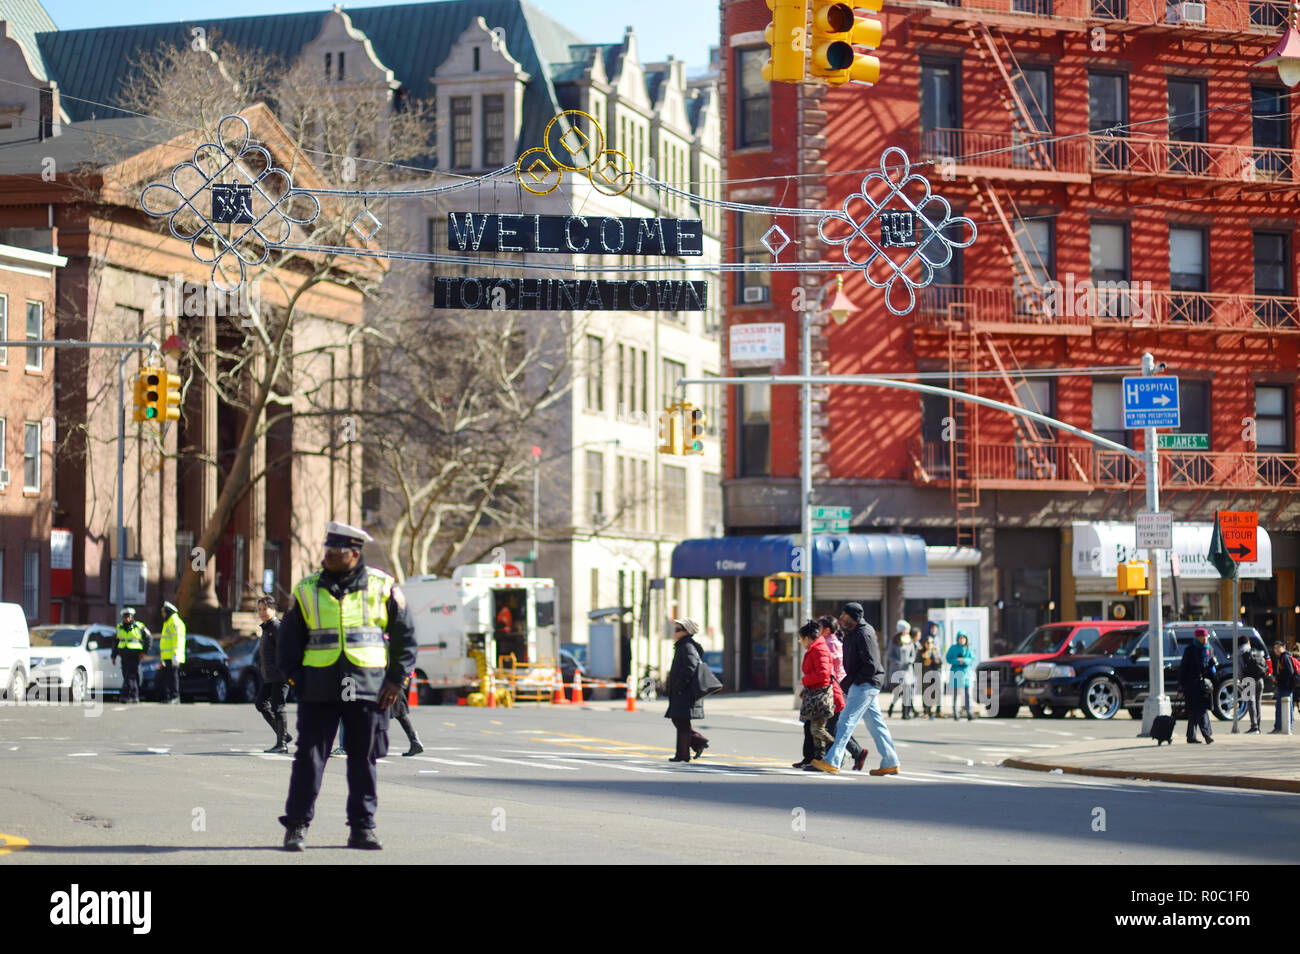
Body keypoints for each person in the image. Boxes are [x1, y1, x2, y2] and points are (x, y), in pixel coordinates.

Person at [276, 521, 416, 851]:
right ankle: (296, 826)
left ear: (353, 555)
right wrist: (298, 679)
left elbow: (405, 637)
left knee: (363, 759)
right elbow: (288, 644)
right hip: (320, 687)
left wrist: (397, 680)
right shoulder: (306, 588)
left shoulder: (384, 586)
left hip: (368, 687)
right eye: (326, 550)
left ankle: (362, 828)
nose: (327, 557)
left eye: (334, 552)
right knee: (309, 758)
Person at [811, 603, 900, 776]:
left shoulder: (863, 634)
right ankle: (890, 761)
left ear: (855, 618)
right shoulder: (852, 633)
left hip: (865, 683)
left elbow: (871, 665)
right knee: (876, 725)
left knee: (845, 721)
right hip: (863, 683)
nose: (841, 620)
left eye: (846, 617)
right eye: (841, 616)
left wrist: (853, 682)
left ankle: (832, 761)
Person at [802, 616, 867, 770]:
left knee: (830, 727)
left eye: (820, 627)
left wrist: (807, 681)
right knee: (834, 726)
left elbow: (825, 671)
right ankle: (853, 753)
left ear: (827, 629)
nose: (818, 630)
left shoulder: (827, 645)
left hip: (830, 691)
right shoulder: (830, 643)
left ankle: (841, 755)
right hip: (832, 689)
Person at [665, 618, 712, 763]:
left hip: (685, 691)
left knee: (681, 721)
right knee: (680, 720)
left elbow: (690, 668)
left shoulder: (687, 646)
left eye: (677, 630)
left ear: (686, 632)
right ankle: (693, 746)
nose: (675, 632)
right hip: (682, 691)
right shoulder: (682, 645)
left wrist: (679, 685)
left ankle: (685, 753)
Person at [254, 597, 293, 754]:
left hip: (279, 675)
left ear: (274, 610)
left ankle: (282, 743)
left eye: (265, 609)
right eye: (260, 609)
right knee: (260, 703)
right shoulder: (266, 628)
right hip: (269, 676)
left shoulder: (277, 627)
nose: (262, 612)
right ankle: (283, 734)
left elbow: (286, 650)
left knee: (278, 707)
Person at [797, 620, 837, 763]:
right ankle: (814, 758)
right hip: (813, 693)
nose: (800, 641)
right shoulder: (814, 648)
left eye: (801, 638)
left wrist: (805, 681)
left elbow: (823, 673)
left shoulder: (819, 649)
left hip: (820, 694)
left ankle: (839, 750)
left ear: (807, 638)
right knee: (810, 727)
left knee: (817, 729)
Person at [1179, 626, 1216, 744]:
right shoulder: (1190, 650)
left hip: (1205, 686)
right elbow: (1183, 668)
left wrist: (1213, 667)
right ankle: (1207, 735)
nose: (1205, 639)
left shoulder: (1209, 648)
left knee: (1195, 711)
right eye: (1203, 637)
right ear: (1198, 637)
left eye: (1206, 637)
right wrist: (1181, 684)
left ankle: (1191, 736)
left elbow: (1211, 668)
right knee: (1201, 710)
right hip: (1192, 685)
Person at [111, 608, 150, 703]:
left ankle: (125, 696)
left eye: (128, 617)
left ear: (132, 617)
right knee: (127, 675)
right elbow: (115, 642)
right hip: (124, 655)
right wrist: (113, 655)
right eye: (124, 617)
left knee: (130, 675)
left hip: (134, 655)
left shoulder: (139, 627)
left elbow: (148, 639)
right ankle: (134, 696)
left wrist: (144, 652)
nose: (126, 619)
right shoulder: (119, 627)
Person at [388, 672, 424, 756]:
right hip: (396, 680)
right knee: (400, 713)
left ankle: (415, 742)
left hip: (393, 681)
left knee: (397, 712)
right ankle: (414, 742)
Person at [1238, 635, 1267, 734]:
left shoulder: (1240, 653)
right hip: (1260, 679)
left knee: (1251, 703)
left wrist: (1242, 681)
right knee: (1258, 702)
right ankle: (1258, 726)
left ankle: (1254, 727)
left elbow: (1239, 670)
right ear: (1248, 642)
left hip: (1248, 679)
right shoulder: (1256, 651)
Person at [158, 601, 186, 704]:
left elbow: (177, 640)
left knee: (173, 677)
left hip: (173, 656)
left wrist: (175, 655)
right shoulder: (168, 622)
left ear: (168, 611)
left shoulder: (175, 623)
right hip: (167, 656)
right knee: (167, 677)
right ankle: (169, 696)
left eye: (163, 611)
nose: (162, 614)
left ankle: (175, 697)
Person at [946, 632, 975, 720]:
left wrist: (964, 660)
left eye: (963, 638)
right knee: (956, 694)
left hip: (966, 673)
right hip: (956, 672)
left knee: (968, 694)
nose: (962, 640)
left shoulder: (968, 648)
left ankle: (969, 712)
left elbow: (972, 659)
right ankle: (955, 712)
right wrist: (958, 661)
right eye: (960, 638)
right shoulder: (953, 648)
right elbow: (948, 658)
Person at [1270, 640, 1296, 734]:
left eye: (1278, 648)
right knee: (1287, 707)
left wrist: (1278, 678)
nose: (1276, 650)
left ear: (1283, 647)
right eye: (1275, 648)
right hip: (1287, 685)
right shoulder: (1285, 656)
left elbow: (1290, 671)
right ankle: (1287, 728)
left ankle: (1279, 728)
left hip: (1285, 686)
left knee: (1281, 707)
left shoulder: (1285, 657)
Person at [919, 633, 944, 719]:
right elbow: (916, 663)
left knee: (934, 693)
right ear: (925, 643)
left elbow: (940, 663)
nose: (929, 644)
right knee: (926, 693)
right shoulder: (921, 652)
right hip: (925, 674)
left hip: (934, 675)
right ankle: (926, 711)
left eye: (931, 642)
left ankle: (936, 710)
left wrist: (937, 662)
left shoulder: (935, 651)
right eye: (928, 643)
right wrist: (923, 663)